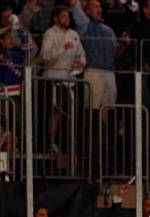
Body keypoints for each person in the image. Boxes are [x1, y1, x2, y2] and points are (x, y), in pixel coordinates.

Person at [41, 6, 87, 155]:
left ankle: (69, 147)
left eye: (68, 16)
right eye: (63, 16)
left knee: (70, 114)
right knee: (55, 112)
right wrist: (62, 49)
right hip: (53, 78)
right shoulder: (50, 33)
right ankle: (51, 143)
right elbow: (45, 58)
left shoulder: (74, 34)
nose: (67, 19)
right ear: (56, 18)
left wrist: (81, 63)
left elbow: (81, 55)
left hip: (70, 80)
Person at [68, 0, 118, 110]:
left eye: (99, 6)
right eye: (95, 6)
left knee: (109, 108)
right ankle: (92, 128)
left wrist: (124, 45)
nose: (99, 9)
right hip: (94, 71)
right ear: (87, 10)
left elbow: (116, 52)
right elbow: (74, 5)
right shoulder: (85, 25)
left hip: (110, 72)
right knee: (93, 107)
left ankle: (106, 128)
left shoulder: (109, 30)